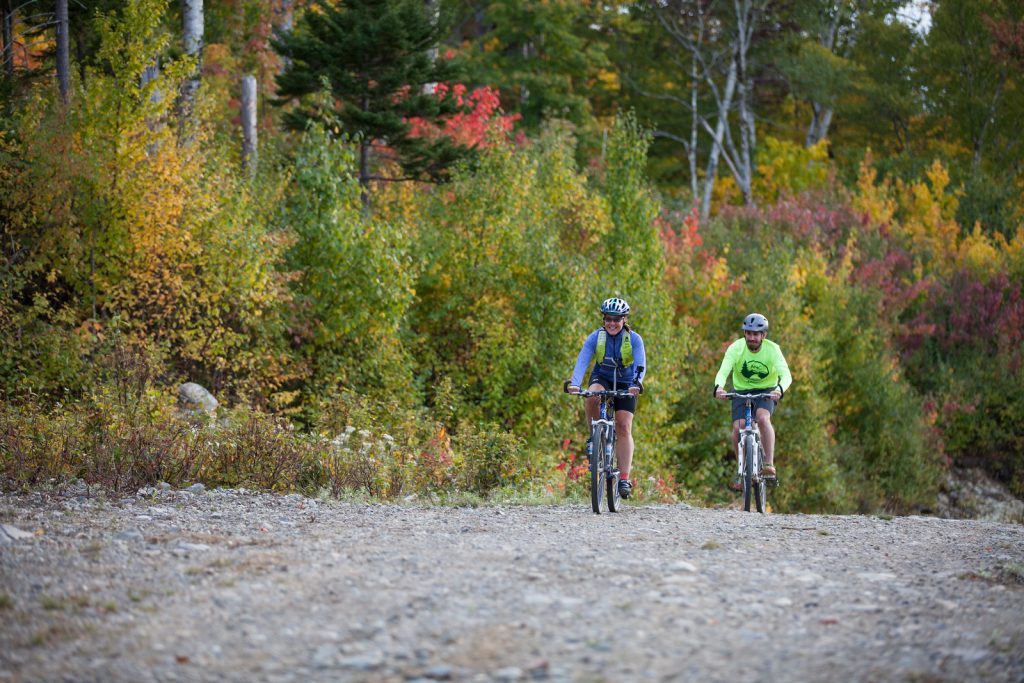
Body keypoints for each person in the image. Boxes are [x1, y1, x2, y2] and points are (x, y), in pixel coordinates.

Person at [567, 297, 646, 499]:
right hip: (602, 377)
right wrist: (575, 383)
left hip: (627, 382)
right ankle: (594, 435)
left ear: (624, 320)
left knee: (623, 425)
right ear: (603, 319)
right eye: (608, 319)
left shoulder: (634, 339)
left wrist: (637, 383)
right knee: (592, 396)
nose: (612, 323)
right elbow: (582, 360)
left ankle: (624, 478)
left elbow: (640, 364)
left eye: (617, 319)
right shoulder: (595, 337)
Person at [713, 313, 792, 486]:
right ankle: (742, 470)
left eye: (756, 334)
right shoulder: (736, 348)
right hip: (741, 390)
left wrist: (779, 389)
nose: (752, 338)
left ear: (764, 335)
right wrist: (718, 386)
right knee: (738, 427)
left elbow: (786, 375)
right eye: (749, 334)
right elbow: (723, 370)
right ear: (744, 334)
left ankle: (769, 464)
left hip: (767, 390)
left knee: (763, 418)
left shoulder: (772, 349)